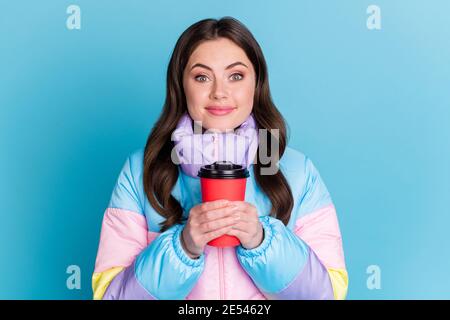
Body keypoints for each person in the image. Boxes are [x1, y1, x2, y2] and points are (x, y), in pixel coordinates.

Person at [92, 17, 348, 300]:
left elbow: (328, 295)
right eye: (202, 77)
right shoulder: (140, 171)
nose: (219, 92)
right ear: (181, 85)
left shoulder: (298, 172)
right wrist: (183, 247)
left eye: (236, 76)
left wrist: (262, 242)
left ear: (256, 83)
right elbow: (110, 297)